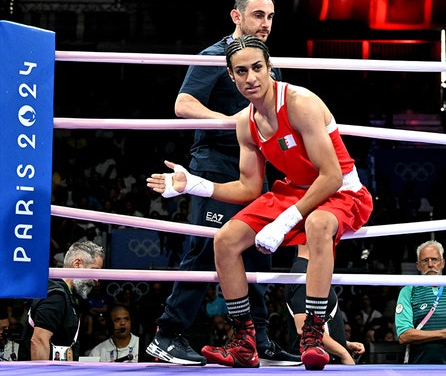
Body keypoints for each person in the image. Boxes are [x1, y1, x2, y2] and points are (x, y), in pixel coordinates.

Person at [146, 34, 373, 370]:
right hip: (294, 190)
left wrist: (283, 223)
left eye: (256, 68)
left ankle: (312, 333)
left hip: (340, 191)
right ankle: (244, 340)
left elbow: (331, 176)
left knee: (316, 223)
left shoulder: (300, 103)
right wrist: (194, 185)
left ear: (270, 69)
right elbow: (250, 189)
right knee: (224, 240)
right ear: (231, 75)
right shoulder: (245, 123)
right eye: (241, 71)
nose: (250, 78)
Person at [145, 0, 300, 367]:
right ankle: (167, 335)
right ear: (237, 16)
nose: (265, 24)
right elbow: (183, 104)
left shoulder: (268, 64)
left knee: (258, 250)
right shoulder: (214, 58)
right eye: (257, 15)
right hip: (215, 161)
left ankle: (257, 338)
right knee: (205, 249)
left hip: (256, 166)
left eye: (270, 17)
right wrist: (232, 123)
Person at [18, 240, 105, 361]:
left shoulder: (68, 295)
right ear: (77, 264)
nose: (96, 279)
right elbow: (39, 341)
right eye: (94, 270)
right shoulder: (56, 296)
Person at [393, 240, 446, 364]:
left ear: (442, 263)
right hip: (418, 368)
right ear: (418, 265)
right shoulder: (408, 291)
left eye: (435, 260)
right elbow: (404, 336)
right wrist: (444, 333)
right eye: (425, 260)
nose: (430, 265)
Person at [285, 244, 365, 364]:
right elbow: (303, 325)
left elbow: (318, 323)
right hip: (318, 362)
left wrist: (343, 343)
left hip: (324, 360)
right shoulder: (304, 270)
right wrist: (343, 353)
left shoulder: (313, 270)